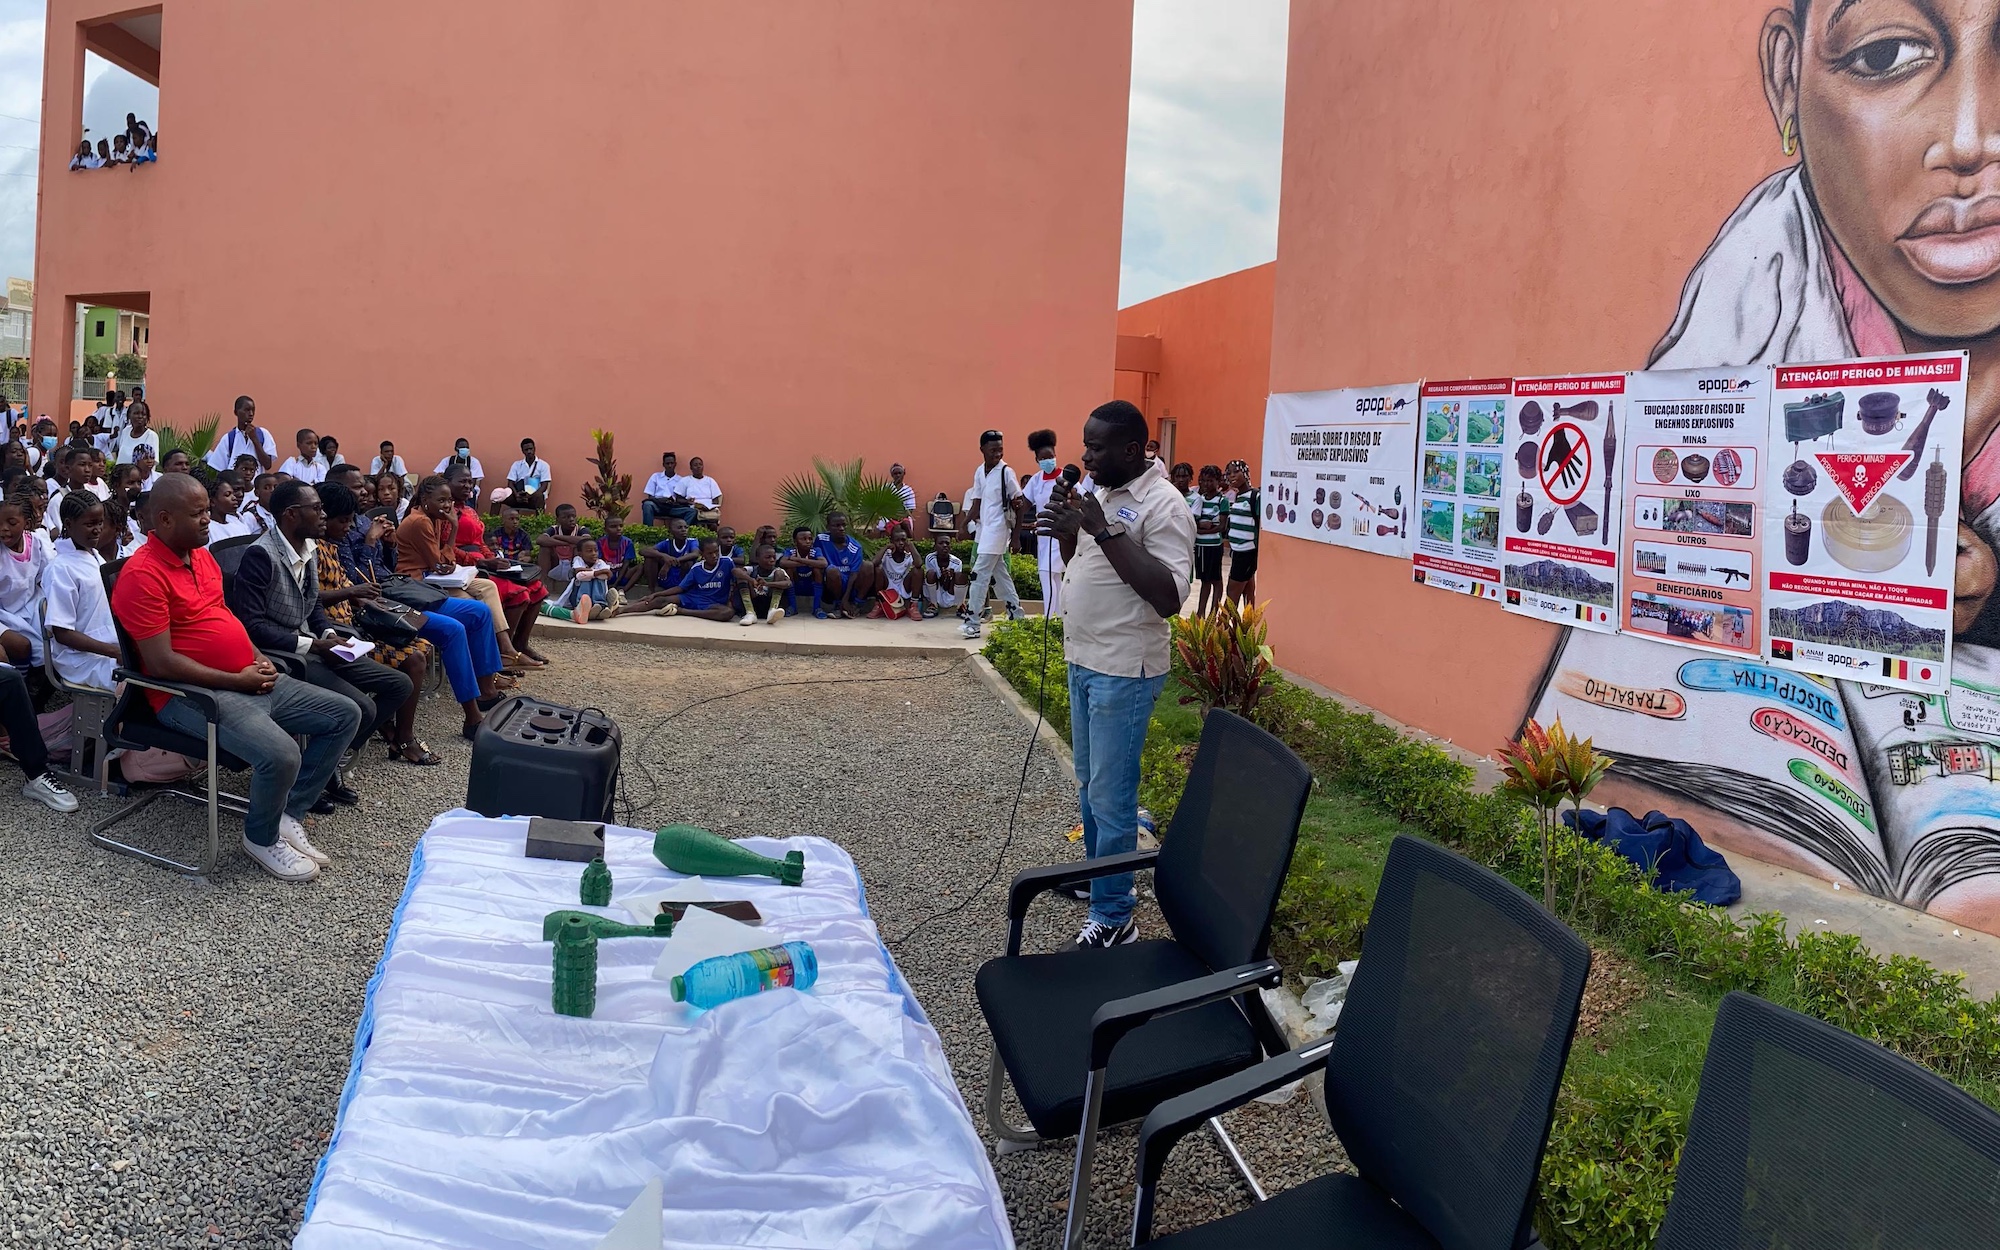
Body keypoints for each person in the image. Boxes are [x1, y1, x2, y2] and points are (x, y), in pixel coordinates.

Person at [111, 474, 363, 879]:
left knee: (345, 714)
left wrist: (259, 658)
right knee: (282, 754)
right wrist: (238, 680)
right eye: (197, 514)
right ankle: (260, 839)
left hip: (244, 676)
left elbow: (225, 618)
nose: (208, 520)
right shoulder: (143, 575)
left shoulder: (201, 555)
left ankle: (286, 814)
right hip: (190, 696)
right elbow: (160, 664)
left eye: (207, 511)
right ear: (164, 519)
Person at [1035, 400, 1195, 946]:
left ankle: (1114, 916)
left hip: (1125, 669)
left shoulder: (1164, 506)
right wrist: (1066, 529)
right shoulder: (1101, 493)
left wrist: (1103, 531)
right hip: (1085, 656)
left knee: (1112, 792)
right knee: (1090, 782)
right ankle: (1098, 879)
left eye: (1096, 447)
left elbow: (1169, 596)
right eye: (1086, 444)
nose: (1085, 456)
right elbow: (1084, 561)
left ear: (1131, 449)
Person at [227, 480, 414, 784]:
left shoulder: (309, 546)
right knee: (362, 708)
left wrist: (327, 634)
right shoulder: (261, 555)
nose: (324, 514)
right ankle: (317, 775)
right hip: (289, 654)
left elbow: (311, 602)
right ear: (291, 515)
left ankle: (324, 761)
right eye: (316, 508)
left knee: (399, 685)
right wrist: (313, 646)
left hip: (316, 644)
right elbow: (254, 628)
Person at [327, 479, 512, 738]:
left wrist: (389, 545)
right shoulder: (338, 533)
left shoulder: (362, 522)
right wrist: (371, 542)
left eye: (366, 489)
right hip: (380, 599)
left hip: (398, 586)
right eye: (359, 488)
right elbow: (358, 579)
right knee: (453, 629)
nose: (366, 494)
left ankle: (486, 690)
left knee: (479, 612)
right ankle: (472, 717)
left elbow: (386, 565)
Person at [309, 487, 442, 765]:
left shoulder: (332, 546)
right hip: (340, 632)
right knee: (414, 660)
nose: (349, 527)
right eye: (342, 521)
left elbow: (352, 585)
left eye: (350, 521)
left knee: (422, 646)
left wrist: (370, 602)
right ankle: (400, 737)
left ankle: (390, 727)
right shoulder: (313, 551)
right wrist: (353, 593)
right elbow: (312, 598)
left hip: (356, 623)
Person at [393, 476, 538, 669]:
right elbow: (440, 563)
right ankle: (482, 667)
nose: (446, 506)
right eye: (441, 500)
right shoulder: (419, 521)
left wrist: (447, 560)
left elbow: (444, 561)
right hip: (417, 581)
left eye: (448, 501)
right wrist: (454, 528)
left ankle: (506, 649)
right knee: (472, 604)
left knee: (488, 586)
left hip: (435, 577)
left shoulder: (434, 517)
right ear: (425, 500)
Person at [446, 466, 548, 660]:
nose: (468, 485)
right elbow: (446, 548)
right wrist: (482, 561)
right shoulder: (445, 510)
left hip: (483, 562)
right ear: (447, 482)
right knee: (518, 592)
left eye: (470, 481)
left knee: (537, 588)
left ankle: (520, 644)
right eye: (462, 481)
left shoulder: (469, 509)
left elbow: (479, 541)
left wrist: (492, 557)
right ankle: (500, 652)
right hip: (464, 567)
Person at [962, 430, 1026, 637]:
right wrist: (964, 525)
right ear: (982, 450)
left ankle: (972, 622)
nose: (997, 454)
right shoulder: (980, 471)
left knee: (978, 574)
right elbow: (976, 502)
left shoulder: (1006, 472)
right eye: (993, 450)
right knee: (999, 576)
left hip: (998, 530)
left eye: (1000, 449)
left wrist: (1015, 538)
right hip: (984, 531)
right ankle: (1017, 617)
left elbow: (1021, 504)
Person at [1020, 429, 1069, 615]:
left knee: (1048, 575)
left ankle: (1050, 617)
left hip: (1060, 534)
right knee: (1053, 577)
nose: (1048, 460)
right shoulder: (1036, 480)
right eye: (1044, 458)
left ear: (1055, 455)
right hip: (1043, 537)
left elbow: (1080, 498)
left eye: (1051, 456)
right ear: (1037, 460)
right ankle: (1058, 616)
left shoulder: (1065, 478)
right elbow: (1024, 503)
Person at [0, 497, 47, 664]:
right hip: (4, 613)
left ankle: (37, 680)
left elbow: (45, 577)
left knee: (48, 648)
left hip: (31, 605)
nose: (3, 529)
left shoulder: (35, 543)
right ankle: (22, 681)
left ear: (26, 524)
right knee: (22, 646)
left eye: (11, 523)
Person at [651, 535, 737, 621]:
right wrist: (656, 594)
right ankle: (637, 606)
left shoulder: (727, 562)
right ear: (702, 554)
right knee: (660, 600)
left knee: (728, 613)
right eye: (710, 553)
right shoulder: (697, 568)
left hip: (713, 603)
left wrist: (730, 600)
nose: (714, 556)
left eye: (716, 552)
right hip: (693, 598)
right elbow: (680, 588)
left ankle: (682, 611)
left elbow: (735, 582)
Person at [814, 511, 874, 619]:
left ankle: (856, 605)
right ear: (828, 527)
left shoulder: (855, 546)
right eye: (837, 525)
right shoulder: (821, 540)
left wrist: (845, 599)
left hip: (851, 584)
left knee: (868, 565)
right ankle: (837, 605)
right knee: (832, 570)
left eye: (843, 525)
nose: (841, 528)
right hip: (832, 583)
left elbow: (854, 574)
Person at [1190, 464, 1228, 617]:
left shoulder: (1222, 501)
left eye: (1210, 481)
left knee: (1216, 579)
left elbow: (1221, 527)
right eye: (1204, 480)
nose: (1206, 484)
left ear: (1218, 481)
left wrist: (1203, 529)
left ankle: (1213, 612)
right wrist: (1200, 528)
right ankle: (1200, 613)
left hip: (1214, 545)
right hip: (1200, 546)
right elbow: (1194, 523)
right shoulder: (1199, 499)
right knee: (1205, 580)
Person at [206, 396, 278, 473]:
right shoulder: (229, 438)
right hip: (234, 484)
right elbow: (219, 469)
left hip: (255, 484)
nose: (251, 414)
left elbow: (267, 465)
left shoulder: (263, 434)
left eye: (253, 410)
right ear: (236, 412)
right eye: (247, 410)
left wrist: (255, 439)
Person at [1222, 459, 1259, 607]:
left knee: (1232, 594)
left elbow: (1260, 524)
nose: (1232, 476)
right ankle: (1247, 627)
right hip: (1237, 552)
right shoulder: (1237, 497)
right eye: (1228, 473)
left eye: (1236, 471)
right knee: (1248, 592)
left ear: (1245, 473)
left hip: (1247, 552)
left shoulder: (1254, 496)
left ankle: (1222, 627)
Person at [868, 525, 923, 620]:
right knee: (878, 569)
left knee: (918, 570)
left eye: (903, 540)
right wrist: (886, 547)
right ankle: (879, 604)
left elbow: (918, 564)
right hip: (888, 586)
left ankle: (913, 606)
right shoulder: (887, 554)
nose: (901, 543)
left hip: (903, 585)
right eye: (897, 540)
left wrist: (911, 546)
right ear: (892, 541)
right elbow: (874, 563)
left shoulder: (908, 555)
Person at [732, 543, 791, 626]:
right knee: (742, 576)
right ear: (757, 559)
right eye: (768, 557)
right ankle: (750, 613)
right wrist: (751, 580)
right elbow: (735, 571)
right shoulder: (752, 569)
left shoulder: (777, 570)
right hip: (753, 603)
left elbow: (788, 583)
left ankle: (772, 610)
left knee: (780, 574)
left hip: (769, 603)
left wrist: (768, 584)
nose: (772, 560)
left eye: (774, 557)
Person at [558, 536, 613, 623]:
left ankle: (599, 606)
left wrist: (590, 574)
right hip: (577, 597)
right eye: (589, 551)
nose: (594, 553)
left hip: (595, 599)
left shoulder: (600, 562)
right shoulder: (578, 560)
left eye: (596, 550)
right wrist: (596, 573)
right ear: (580, 553)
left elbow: (607, 575)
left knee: (597, 580)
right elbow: (578, 574)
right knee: (586, 580)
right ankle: (583, 606)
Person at [638, 515, 699, 590]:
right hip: (666, 576)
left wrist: (670, 563)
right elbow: (643, 551)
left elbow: (695, 554)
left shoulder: (692, 541)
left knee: (688, 562)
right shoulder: (667, 543)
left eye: (686, 527)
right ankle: (652, 590)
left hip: (682, 579)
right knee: (650, 559)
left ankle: (685, 589)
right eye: (679, 528)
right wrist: (663, 556)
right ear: (670, 531)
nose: (684, 530)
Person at [779, 525, 828, 617]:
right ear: (795, 541)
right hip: (795, 586)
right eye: (803, 539)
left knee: (817, 569)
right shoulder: (790, 551)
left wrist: (799, 560)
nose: (808, 541)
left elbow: (824, 563)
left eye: (810, 538)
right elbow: (783, 562)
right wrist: (810, 563)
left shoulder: (816, 550)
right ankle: (792, 607)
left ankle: (816, 608)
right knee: (789, 569)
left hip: (812, 587)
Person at [535, 502, 586, 586]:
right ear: (558, 519)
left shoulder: (581, 529)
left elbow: (586, 540)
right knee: (544, 548)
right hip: (557, 561)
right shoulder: (554, 529)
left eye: (573, 516)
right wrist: (569, 543)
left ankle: (578, 582)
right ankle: (543, 582)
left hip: (573, 561)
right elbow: (540, 540)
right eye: (566, 517)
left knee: (579, 548)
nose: (571, 519)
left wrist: (558, 537)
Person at [207, 472, 259, 544]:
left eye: (232, 493)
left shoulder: (238, 523)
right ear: (212, 501)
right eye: (227, 495)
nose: (234, 498)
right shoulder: (207, 528)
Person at [503, 438, 552, 514]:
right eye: (526, 450)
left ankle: (540, 521)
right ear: (522, 451)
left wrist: (531, 496)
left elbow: (544, 485)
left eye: (531, 449)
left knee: (539, 496)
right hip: (518, 496)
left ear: (534, 449)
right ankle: (491, 521)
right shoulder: (516, 465)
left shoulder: (543, 465)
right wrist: (517, 495)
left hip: (534, 497)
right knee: (497, 495)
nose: (529, 451)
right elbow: (510, 483)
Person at [922, 532, 963, 618]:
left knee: (960, 575)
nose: (945, 545)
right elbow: (932, 579)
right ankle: (933, 605)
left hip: (950, 593)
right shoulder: (930, 558)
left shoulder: (957, 562)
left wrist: (950, 578)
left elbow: (948, 586)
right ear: (935, 546)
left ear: (950, 546)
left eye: (947, 543)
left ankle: (960, 606)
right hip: (935, 593)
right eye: (941, 543)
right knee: (930, 574)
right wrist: (942, 577)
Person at [641, 452, 687, 527]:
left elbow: (681, 498)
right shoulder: (655, 476)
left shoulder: (681, 480)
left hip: (672, 507)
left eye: (672, 463)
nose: (670, 466)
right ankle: (648, 531)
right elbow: (650, 496)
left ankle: (680, 531)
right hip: (657, 506)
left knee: (691, 512)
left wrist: (672, 501)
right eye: (667, 463)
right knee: (647, 504)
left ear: (675, 464)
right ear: (663, 464)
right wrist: (660, 500)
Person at [599, 515, 639, 592]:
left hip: (621, 574)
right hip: (606, 574)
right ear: (605, 529)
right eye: (613, 526)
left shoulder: (627, 542)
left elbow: (626, 565)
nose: (618, 529)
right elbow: (598, 563)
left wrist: (616, 584)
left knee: (640, 567)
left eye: (621, 526)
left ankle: (623, 590)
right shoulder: (600, 542)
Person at [113, 401, 158, 467]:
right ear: (129, 415)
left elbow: (151, 463)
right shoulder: (125, 431)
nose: (140, 416)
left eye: (143, 414)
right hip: (121, 474)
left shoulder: (151, 436)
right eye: (136, 413)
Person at [682, 456, 723, 524]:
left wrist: (710, 507)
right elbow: (678, 498)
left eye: (700, 464)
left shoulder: (710, 481)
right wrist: (687, 501)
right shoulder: (685, 480)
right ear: (691, 468)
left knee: (713, 523)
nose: (698, 467)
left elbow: (716, 499)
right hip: (693, 508)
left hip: (709, 509)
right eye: (695, 465)